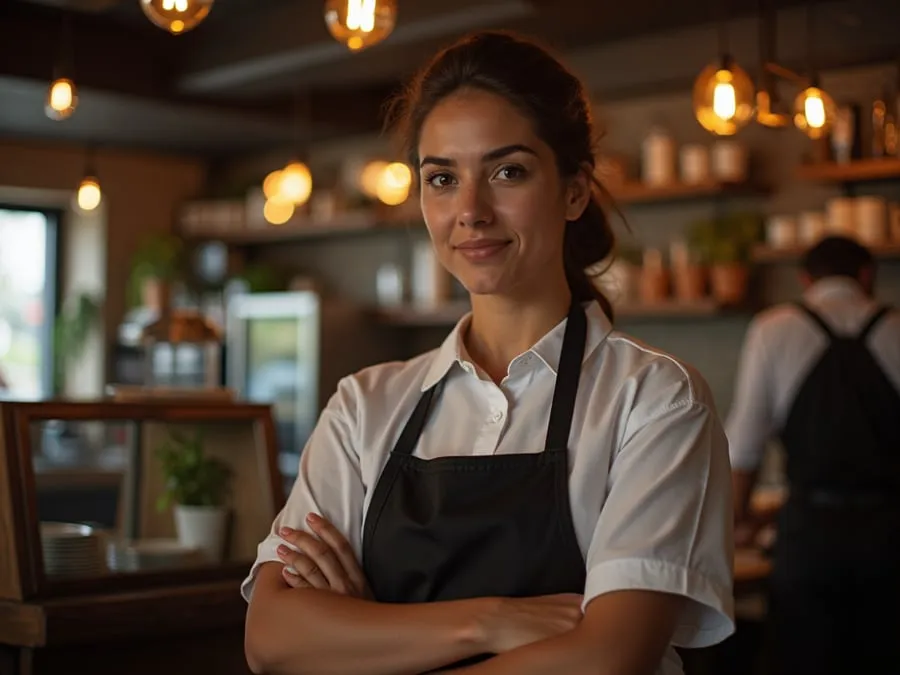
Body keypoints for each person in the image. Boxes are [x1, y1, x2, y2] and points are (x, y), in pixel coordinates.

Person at [243, 30, 734, 675]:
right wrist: (492, 621)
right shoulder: (364, 407)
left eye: (507, 172)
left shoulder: (655, 399)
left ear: (575, 191)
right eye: (442, 178)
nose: (469, 211)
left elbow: (608, 658)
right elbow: (273, 638)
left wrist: (370, 637)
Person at [726, 236, 900, 675]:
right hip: (891, 533)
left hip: (809, 534)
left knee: (803, 659)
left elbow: (744, 446)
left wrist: (736, 523)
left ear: (805, 279)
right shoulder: (898, 326)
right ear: (866, 276)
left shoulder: (774, 327)